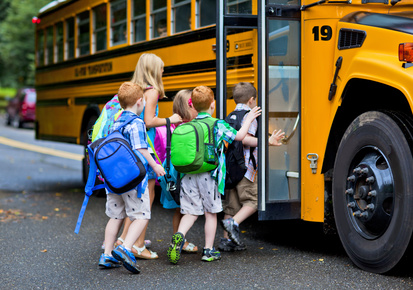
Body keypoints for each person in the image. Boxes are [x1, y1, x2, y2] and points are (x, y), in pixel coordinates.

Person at [166, 85, 262, 264]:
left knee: (190, 213)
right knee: (210, 213)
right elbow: (240, 136)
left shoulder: (189, 124)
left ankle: (179, 236)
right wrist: (248, 119)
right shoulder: (217, 124)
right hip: (209, 175)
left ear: (192, 106)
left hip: (188, 175)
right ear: (213, 104)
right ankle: (208, 251)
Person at [115, 53, 182, 259]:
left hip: (131, 147)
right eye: (161, 68)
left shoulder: (135, 89)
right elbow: (149, 121)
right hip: (147, 145)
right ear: (154, 70)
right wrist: (170, 119)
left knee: (136, 197)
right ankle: (138, 245)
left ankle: (123, 239)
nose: (163, 72)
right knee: (147, 196)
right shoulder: (151, 92)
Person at [99, 82, 165, 274]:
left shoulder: (114, 121)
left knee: (115, 216)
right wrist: (155, 165)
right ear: (139, 101)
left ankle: (108, 254)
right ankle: (126, 248)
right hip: (133, 179)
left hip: (113, 179)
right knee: (143, 215)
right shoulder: (136, 123)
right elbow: (140, 148)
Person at [219, 82, 285, 252]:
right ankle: (232, 223)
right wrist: (267, 141)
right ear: (251, 100)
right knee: (254, 200)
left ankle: (227, 241)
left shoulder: (230, 116)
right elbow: (246, 139)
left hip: (230, 168)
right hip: (245, 169)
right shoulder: (251, 115)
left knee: (231, 206)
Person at [155, 89, 199, 252]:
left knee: (178, 208)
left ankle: (178, 238)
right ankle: (182, 240)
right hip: (184, 171)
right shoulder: (190, 127)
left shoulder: (174, 125)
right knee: (186, 208)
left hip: (172, 170)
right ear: (189, 107)